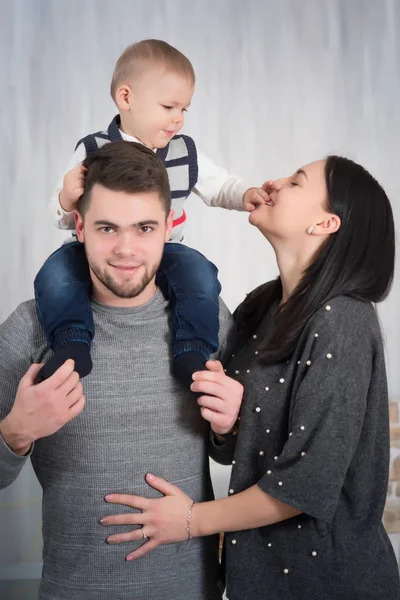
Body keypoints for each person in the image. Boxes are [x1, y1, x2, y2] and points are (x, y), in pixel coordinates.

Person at [98, 155, 400, 600]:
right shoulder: (262, 305)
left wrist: (190, 521)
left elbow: (305, 486)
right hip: (257, 580)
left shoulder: (344, 320)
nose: (274, 182)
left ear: (325, 224)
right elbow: (239, 449)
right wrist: (228, 424)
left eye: (296, 182)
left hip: (331, 584)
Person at [0, 142, 244, 600]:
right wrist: (14, 434)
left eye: (145, 227)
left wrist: (231, 428)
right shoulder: (29, 328)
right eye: (107, 227)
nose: (126, 249)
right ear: (79, 226)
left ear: (170, 228)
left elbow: (239, 457)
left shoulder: (209, 321)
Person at [34, 38, 269, 386]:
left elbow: (218, 185)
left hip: (165, 249)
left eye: (184, 110)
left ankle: (192, 349)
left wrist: (245, 193)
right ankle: (71, 345)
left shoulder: (183, 152)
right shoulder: (93, 149)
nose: (178, 120)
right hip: (95, 250)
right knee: (55, 276)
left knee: (201, 277)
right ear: (126, 98)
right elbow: (64, 217)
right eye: (169, 107)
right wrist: (67, 197)